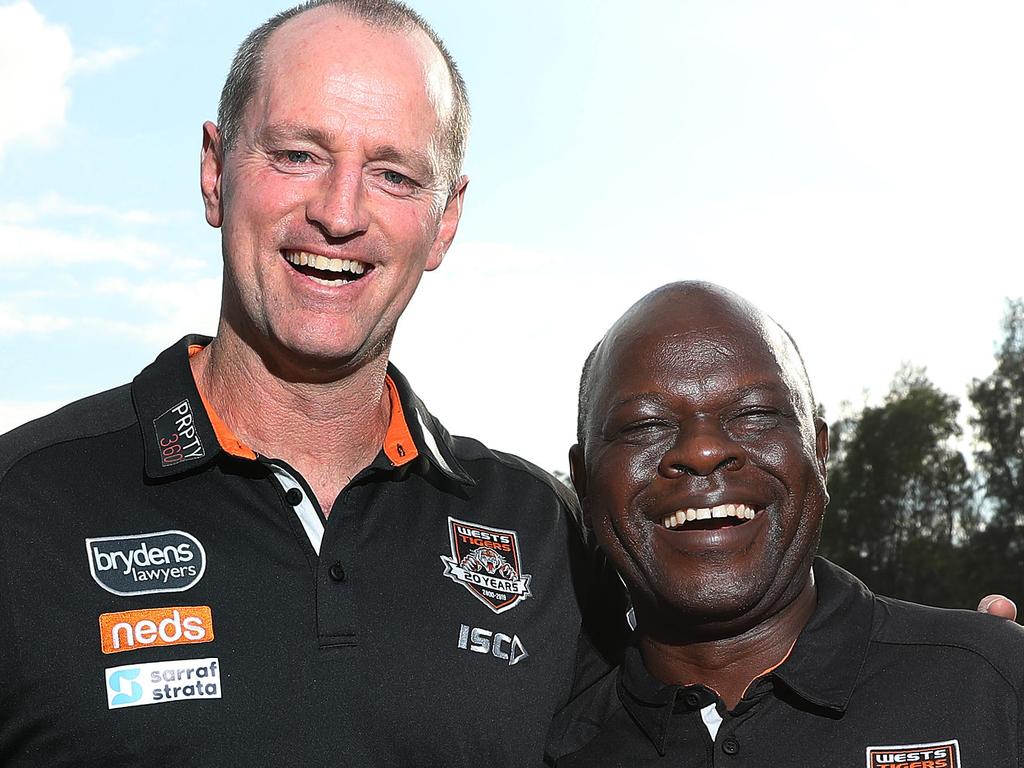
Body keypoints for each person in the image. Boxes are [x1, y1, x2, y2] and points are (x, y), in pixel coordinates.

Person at [0, 2, 617, 765]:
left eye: (393, 175)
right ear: (213, 172)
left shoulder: (542, 533)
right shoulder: (22, 504)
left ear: (445, 221)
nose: (339, 212)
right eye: (297, 155)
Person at [547, 281, 1024, 766]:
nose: (702, 450)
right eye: (646, 424)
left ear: (819, 453)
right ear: (584, 481)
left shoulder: (993, 686)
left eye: (754, 414)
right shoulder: (557, 746)